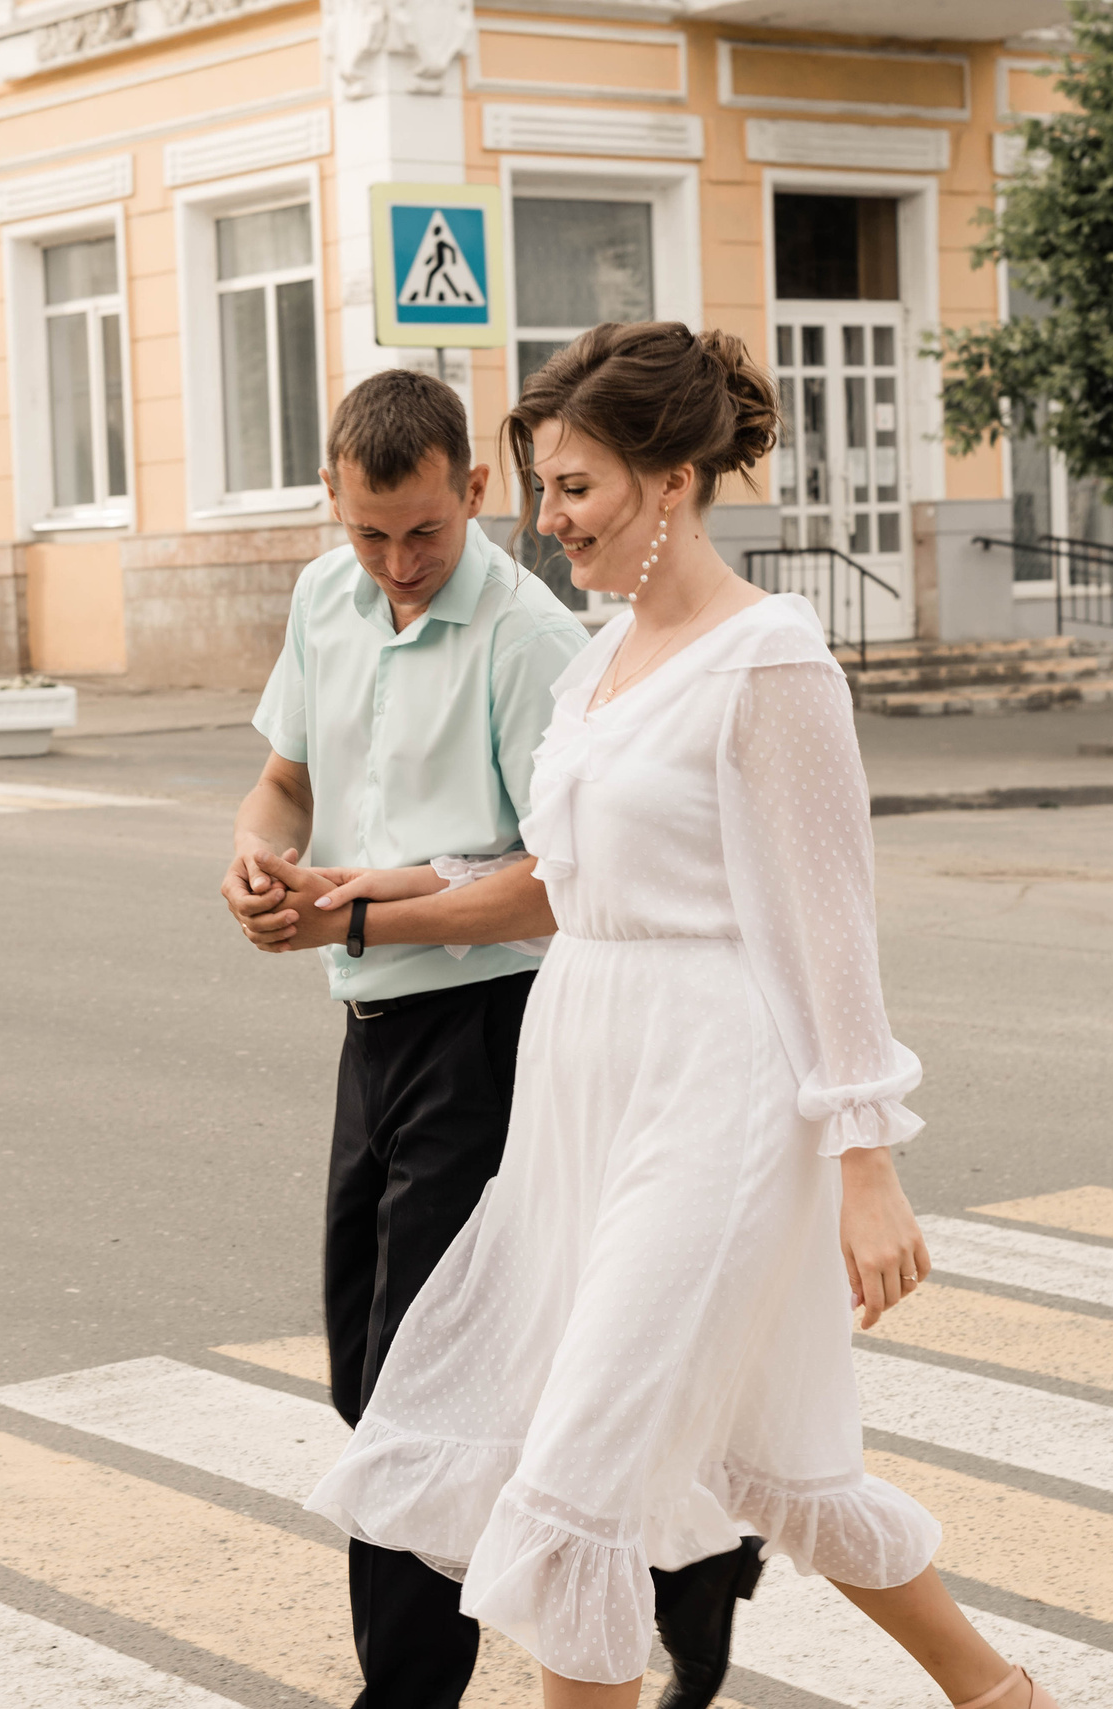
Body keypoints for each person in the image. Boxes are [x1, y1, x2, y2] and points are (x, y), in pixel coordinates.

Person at [300, 325, 1064, 1709]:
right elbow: (556, 875)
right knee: (768, 1460)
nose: (549, 519)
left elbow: (831, 921)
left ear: (674, 480)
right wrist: (379, 891)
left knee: (570, 1486)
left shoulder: (767, 659)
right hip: (588, 1078)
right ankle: (1001, 1696)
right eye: (544, 486)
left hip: (717, 1085)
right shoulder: (597, 665)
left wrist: (867, 1161)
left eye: (577, 487)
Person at [223, 369, 763, 1709]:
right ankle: (693, 1563)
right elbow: (285, 779)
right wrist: (256, 856)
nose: (398, 563)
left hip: (496, 1024)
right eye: (368, 533)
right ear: (333, 505)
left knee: (425, 1380)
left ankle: (408, 1687)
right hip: (374, 1028)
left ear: (473, 489)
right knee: (371, 1363)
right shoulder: (321, 599)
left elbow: (554, 873)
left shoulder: (528, 638)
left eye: (423, 530)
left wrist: (359, 917)